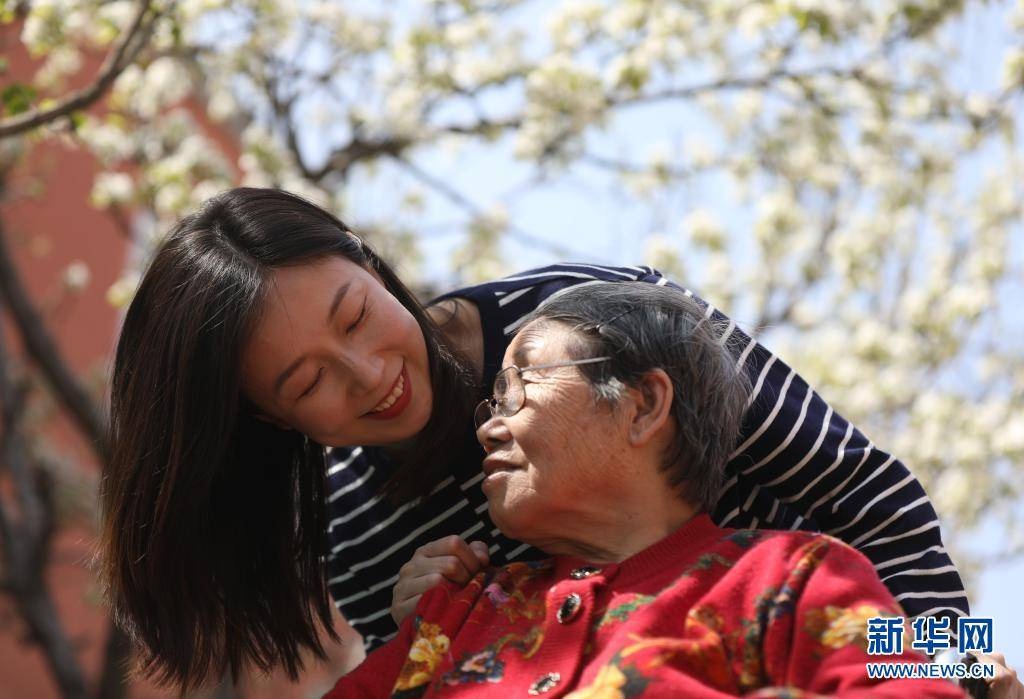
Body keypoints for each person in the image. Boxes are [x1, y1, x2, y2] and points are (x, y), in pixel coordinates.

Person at [100, 188, 966, 690]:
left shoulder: (587, 322)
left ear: (366, 260)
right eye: (307, 383)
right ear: (272, 419)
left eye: (356, 316)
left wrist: (955, 663)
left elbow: (867, 496)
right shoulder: (352, 528)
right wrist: (419, 636)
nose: (368, 374)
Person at [323, 281, 964, 698]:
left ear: (643, 404)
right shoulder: (455, 613)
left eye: (518, 388)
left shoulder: (790, 576)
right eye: (300, 385)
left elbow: (886, 525)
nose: (487, 426)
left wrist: (962, 662)